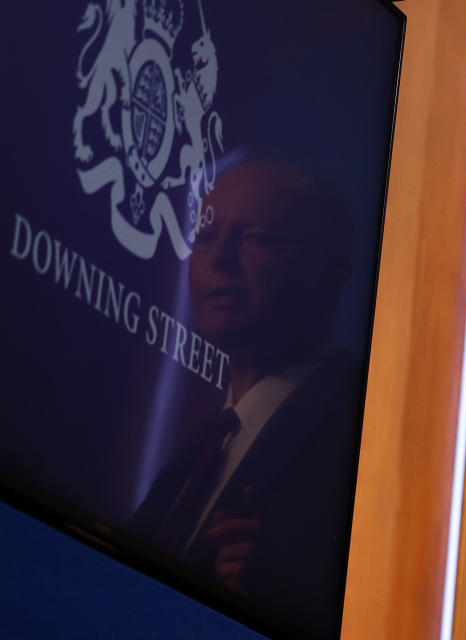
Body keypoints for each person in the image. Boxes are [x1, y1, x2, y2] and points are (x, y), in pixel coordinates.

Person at [129, 162, 360, 637]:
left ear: (330, 267)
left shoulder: (357, 432)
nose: (220, 260)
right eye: (207, 236)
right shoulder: (193, 459)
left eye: (255, 238)